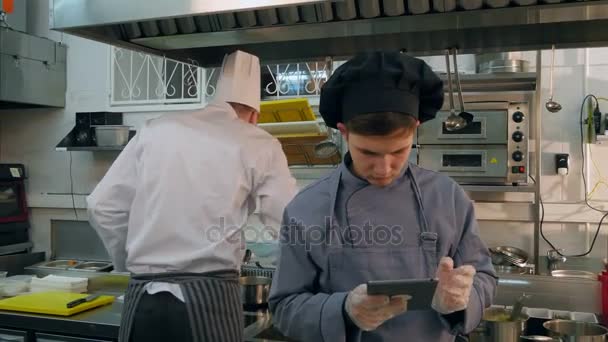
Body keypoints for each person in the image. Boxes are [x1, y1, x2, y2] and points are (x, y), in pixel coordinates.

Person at [269, 51, 497, 342]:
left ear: (415, 129)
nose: (384, 168)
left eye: (399, 151)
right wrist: (343, 310)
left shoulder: (447, 196)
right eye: (368, 153)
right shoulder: (307, 208)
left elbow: (484, 278)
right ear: (344, 133)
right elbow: (285, 307)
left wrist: (460, 300)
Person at [87, 50, 297, 342]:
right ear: (254, 116)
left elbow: (102, 206)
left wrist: (134, 264)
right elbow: (290, 222)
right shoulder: (258, 142)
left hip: (142, 299)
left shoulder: (154, 129)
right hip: (209, 300)